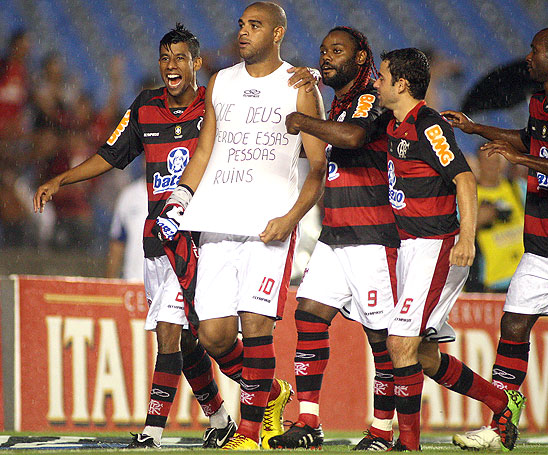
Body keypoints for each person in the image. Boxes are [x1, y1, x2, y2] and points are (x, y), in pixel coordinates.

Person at [34, 23, 237, 449]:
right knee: (184, 338)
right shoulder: (146, 106)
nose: (171, 66)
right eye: (165, 59)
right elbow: (110, 155)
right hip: (155, 241)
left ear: (197, 63)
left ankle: (152, 432)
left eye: (180, 58)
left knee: (169, 330)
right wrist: (62, 180)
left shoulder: (215, 105)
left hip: (197, 238)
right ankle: (225, 416)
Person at [153, 2, 327, 450]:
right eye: (241, 25)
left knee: (256, 325)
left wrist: (289, 220)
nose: (244, 32)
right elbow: (204, 152)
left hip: (267, 227)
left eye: (255, 25)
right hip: (214, 223)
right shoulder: (221, 82)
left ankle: (248, 435)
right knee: (213, 334)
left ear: (278, 33)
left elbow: (318, 168)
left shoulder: (299, 85)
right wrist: (179, 200)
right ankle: (271, 395)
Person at [443, 26, 548, 451]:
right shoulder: (539, 102)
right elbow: (534, 141)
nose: (527, 57)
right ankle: (500, 425)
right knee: (514, 322)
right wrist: (478, 129)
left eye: (534, 51)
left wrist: (523, 160)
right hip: (543, 244)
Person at [373, 48, 526, 452]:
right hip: (409, 248)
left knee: (399, 344)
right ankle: (502, 405)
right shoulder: (393, 124)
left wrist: (467, 238)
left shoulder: (430, 125)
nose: (376, 82)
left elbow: (465, 180)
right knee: (422, 355)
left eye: (382, 76)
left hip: (437, 247)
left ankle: (408, 445)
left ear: (401, 85)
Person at [266, 26, 399, 450]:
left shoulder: (373, 96)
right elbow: (334, 121)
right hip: (335, 232)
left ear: (361, 59)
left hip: (373, 235)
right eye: (323, 50)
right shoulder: (341, 98)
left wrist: (303, 121)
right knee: (308, 316)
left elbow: (355, 136)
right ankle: (308, 423)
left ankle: (381, 429)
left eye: (336, 51)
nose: (327, 57)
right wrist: (313, 82)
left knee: (381, 337)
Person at [466, 148, 525, 292]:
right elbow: (459, 231)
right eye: (487, 161)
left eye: (496, 161)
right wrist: (479, 219)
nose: (492, 166)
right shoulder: (469, 194)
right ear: (478, 164)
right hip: (492, 283)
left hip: (524, 277)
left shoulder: (516, 187)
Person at [106, 170, 146, 281]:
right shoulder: (129, 195)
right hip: (133, 280)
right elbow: (117, 241)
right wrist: (110, 282)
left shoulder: (180, 193)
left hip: (167, 286)